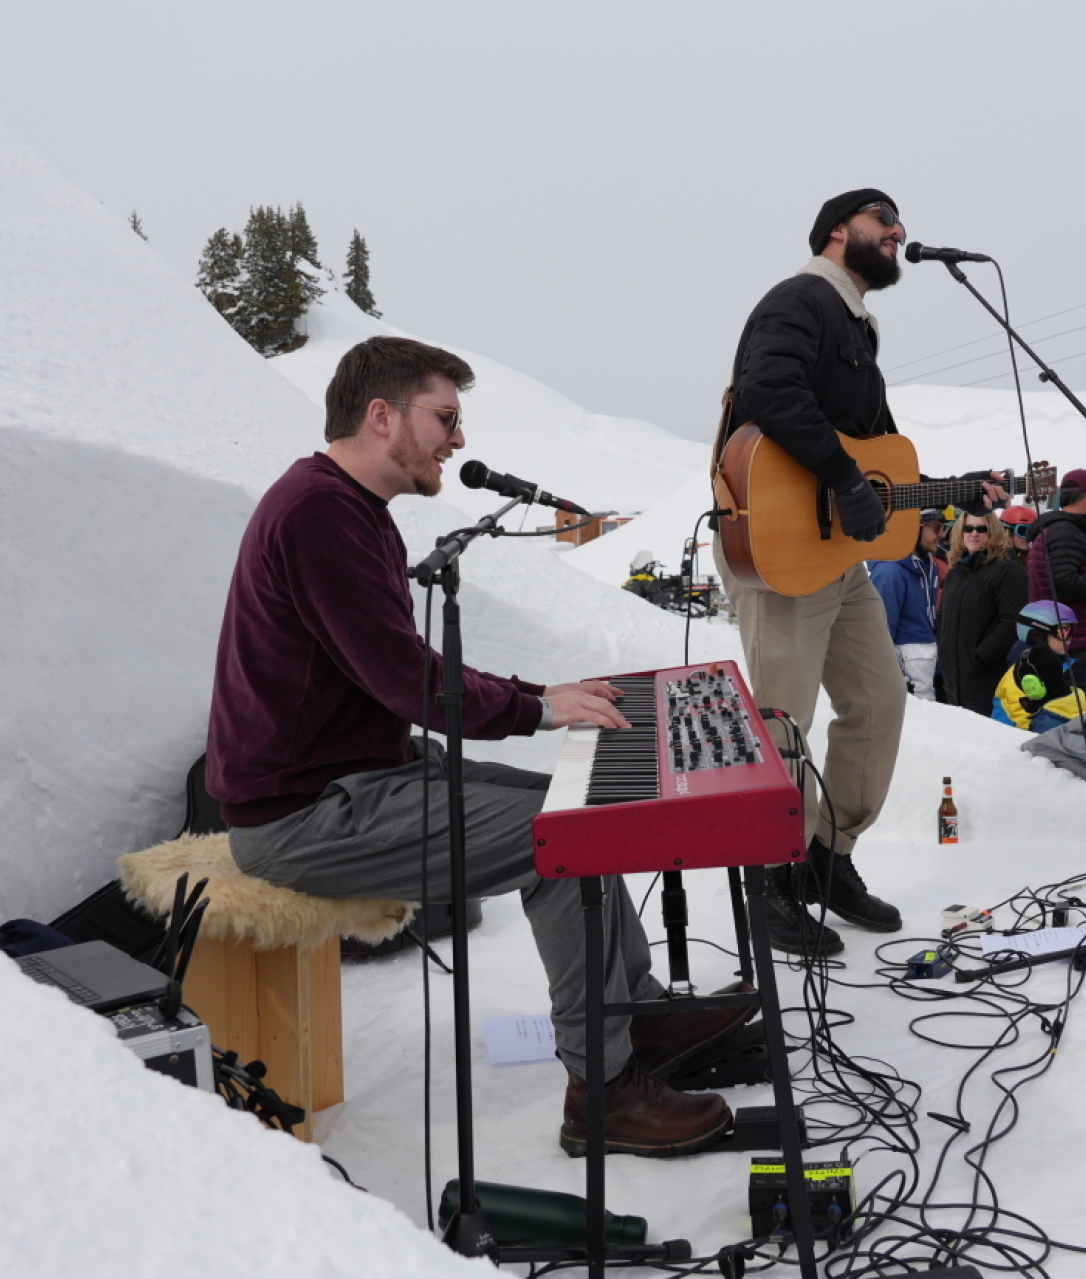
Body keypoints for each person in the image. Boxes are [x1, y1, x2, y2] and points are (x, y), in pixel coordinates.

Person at [207, 336, 739, 1158]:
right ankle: (600, 1093)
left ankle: (641, 1017)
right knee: (556, 844)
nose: (459, 440)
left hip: (353, 775)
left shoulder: (348, 510)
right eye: (446, 418)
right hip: (302, 817)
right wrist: (537, 705)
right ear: (381, 417)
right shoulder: (319, 513)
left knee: (573, 808)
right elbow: (406, 679)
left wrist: (540, 700)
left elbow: (396, 672)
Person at [712, 188, 1006, 953]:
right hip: (779, 551)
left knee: (879, 701)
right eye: (885, 221)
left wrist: (955, 489)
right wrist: (843, 478)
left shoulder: (856, 325)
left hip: (835, 559)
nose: (900, 233)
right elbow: (768, 390)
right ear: (839, 231)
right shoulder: (802, 299)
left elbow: (879, 463)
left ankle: (824, 858)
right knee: (783, 720)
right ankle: (768, 881)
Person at [1026, 469, 1086, 704]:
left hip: (1065, 643)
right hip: (1076, 649)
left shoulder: (1057, 530)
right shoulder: (1066, 532)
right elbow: (1063, 583)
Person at [936, 512, 1028, 716]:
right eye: (968, 528)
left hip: (986, 677)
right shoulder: (956, 572)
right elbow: (943, 618)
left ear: (993, 531)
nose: (974, 534)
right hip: (953, 678)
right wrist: (944, 655)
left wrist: (979, 659)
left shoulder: (1008, 570)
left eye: (981, 528)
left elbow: (1013, 622)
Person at [868, 509, 945, 702]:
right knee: (916, 726)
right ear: (913, 528)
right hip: (908, 665)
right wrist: (897, 675)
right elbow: (881, 632)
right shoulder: (890, 571)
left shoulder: (929, 564)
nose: (942, 535)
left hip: (926, 661)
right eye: (936, 528)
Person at [992, 601, 1086, 731]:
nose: (1069, 639)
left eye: (1072, 631)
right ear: (1037, 634)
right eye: (1063, 632)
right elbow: (1024, 720)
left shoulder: (1067, 664)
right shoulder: (1022, 674)